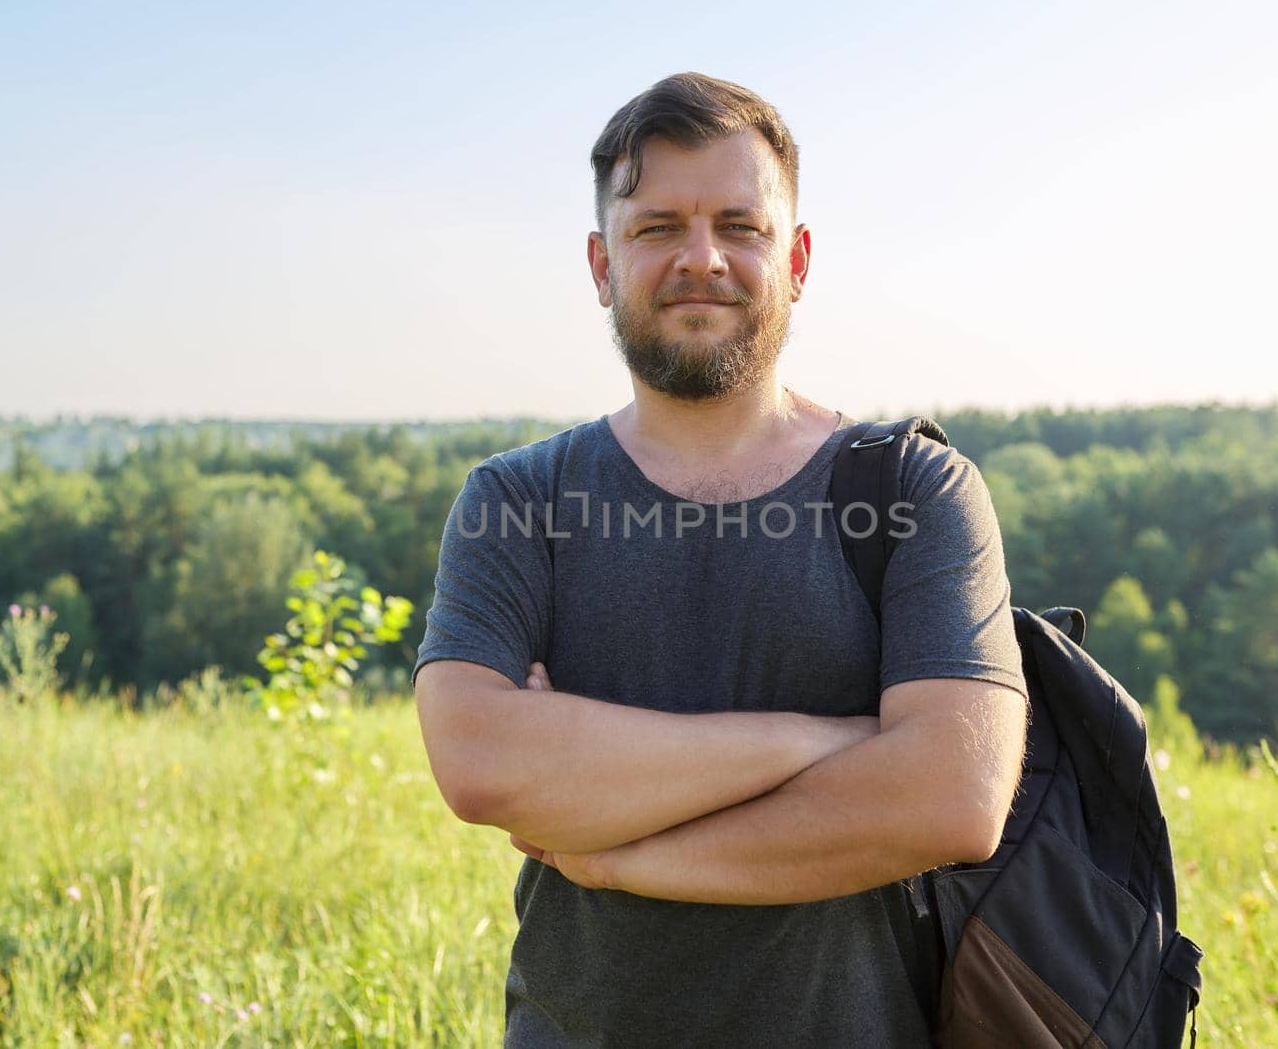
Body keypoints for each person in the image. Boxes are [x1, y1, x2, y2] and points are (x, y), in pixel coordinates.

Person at [412, 71, 1029, 1048]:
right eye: (657, 226)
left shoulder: (916, 490)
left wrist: (614, 854)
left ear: (797, 258)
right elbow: (482, 763)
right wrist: (820, 739)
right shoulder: (517, 500)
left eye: (739, 225)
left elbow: (953, 798)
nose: (700, 258)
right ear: (600, 263)